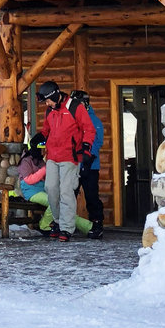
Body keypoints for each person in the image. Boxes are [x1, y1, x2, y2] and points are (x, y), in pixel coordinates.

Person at [38, 79, 95, 243]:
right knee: (51, 189)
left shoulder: (75, 107)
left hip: (70, 157)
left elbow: (89, 129)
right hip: (52, 157)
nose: (46, 103)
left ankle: (66, 228)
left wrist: (85, 148)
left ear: (55, 96)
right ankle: (57, 222)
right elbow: (46, 131)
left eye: (47, 100)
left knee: (66, 191)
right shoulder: (50, 110)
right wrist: (38, 140)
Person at [16, 132, 92, 237]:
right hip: (31, 191)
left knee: (63, 204)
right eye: (41, 149)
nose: (43, 152)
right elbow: (28, 180)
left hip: (42, 189)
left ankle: (88, 226)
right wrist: (46, 169)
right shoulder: (26, 161)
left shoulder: (40, 161)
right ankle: (44, 225)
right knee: (54, 202)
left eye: (45, 149)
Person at [71, 90, 105, 238]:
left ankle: (97, 223)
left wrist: (89, 156)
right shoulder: (71, 117)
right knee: (69, 193)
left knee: (91, 195)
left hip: (90, 164)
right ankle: (65, 223)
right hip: (73, 162)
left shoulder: (93, 120)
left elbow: (97, 141)